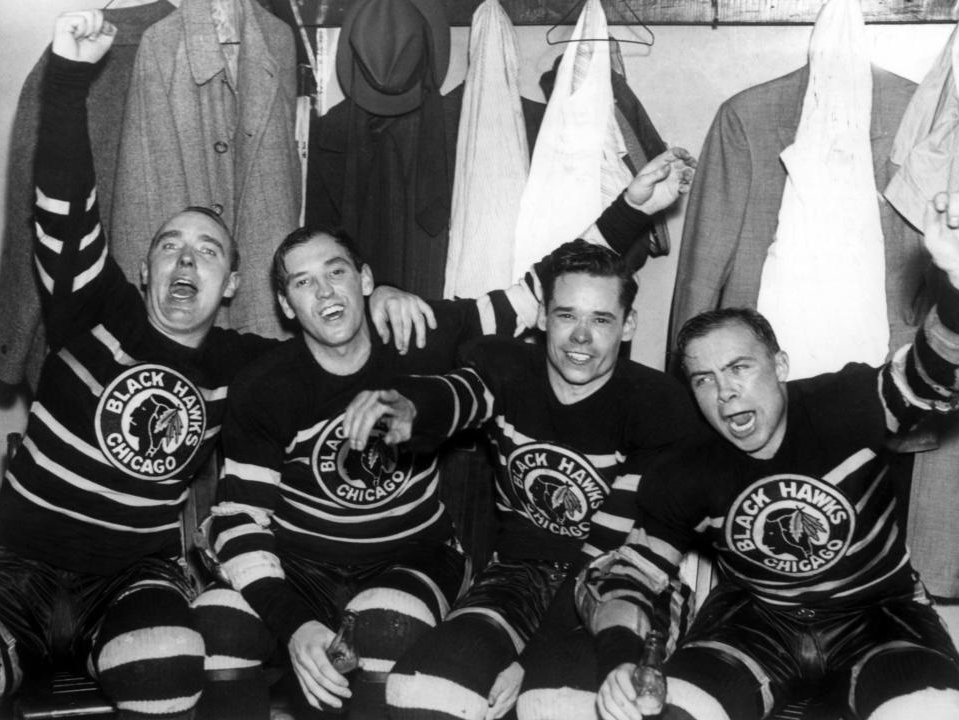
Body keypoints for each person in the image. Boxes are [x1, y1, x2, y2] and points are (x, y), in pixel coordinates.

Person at [0, 11, 434, 719]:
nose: (185, 258)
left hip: (128, 580)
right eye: (170, 246)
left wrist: (370, 291)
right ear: (143, 267)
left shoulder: (248, 365)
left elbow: (338, 350)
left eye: (207, 251)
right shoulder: (96, 308)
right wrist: (68, 76)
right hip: (16, 561)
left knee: (170, 673)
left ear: (232, 284)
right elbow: (63, 203)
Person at [190, 146, 697, 720]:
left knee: (387, 629)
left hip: (413, 555)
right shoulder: (267, 384)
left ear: (365, 278)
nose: (326, 292)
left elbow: (544, 295)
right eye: (304, 283)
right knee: (214, 626)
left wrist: (629, 210)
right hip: (298, 561)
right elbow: (237, 521)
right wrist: (295, 623)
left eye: (337, 273)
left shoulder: (415, 332)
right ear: (285, 304)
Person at [557, 192, 959, 720]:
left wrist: (954, 288)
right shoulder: (684, 469)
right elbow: (632, 577)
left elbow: (927, 377)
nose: (725, 392)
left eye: (740, 368)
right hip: (759, 619)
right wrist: (617, 663)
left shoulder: (843, 404)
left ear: (781, 365)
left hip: (879, 614)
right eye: (704, 379)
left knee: (931, 712)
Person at [340, 239, 705, 720]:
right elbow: (458, 395)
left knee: (557, 702)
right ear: (542, 317)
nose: (580, 337)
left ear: (628, 325)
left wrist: (522, 660)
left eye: (600, 320)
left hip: (624, 583)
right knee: (423, 689)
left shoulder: (657, 405)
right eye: (566, 316)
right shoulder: (507, 367)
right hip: (519, 572)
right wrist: (410, 405)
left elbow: (604, 556)